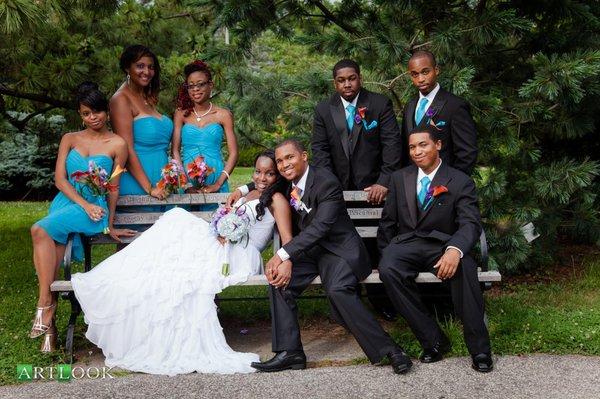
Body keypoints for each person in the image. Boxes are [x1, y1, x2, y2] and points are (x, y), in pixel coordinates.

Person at [70, 150, 294, 375]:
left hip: (240, 254)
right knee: (174, 226)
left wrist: (283, 261)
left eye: (269, 174)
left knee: (177, 222)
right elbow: (249, 193)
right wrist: (234, 203)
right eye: (257, 171)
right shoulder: (252, 191)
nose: (261, 178)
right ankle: (121, 278)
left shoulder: (278, 200)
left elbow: (287, 240)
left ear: (278, 176)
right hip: (223, 244)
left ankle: (128, 282)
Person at [250, 139, 412, 375]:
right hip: (312, 251)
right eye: (280, 161)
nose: (284, 165)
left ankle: (391, 350)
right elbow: (262, 181)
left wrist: (284, 254)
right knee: (278, 281)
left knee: (337, 290)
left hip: (339, 250)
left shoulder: (326, 182)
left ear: (304, 156)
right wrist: (244, 189)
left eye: (290, 158)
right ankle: (290, 352)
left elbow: (320, 228)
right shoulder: (288, 182)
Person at [377, 126, 493, 372]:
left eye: (423, 145)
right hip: (407, 245)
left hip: (444, 245)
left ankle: (480, 349)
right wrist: (386, 251)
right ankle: (434, 341)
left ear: (437, 145)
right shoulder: (400, 178)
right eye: (411, 147)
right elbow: (388, 222)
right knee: (388, 269)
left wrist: (454, 250)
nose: (417, 151)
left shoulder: (459, 180)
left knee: (465, 270)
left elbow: (470, 223)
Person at [29, 82, 134, 352]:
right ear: (81, 114)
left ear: (107, 112)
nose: (92, 118)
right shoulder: (70, 139)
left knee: (39, 230)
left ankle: (44, 306)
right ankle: (49, 327)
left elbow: (113, 186)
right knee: (51, 257)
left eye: (97, 112)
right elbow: (60, 179)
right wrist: (82, 204)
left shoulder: (118, 144)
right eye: (86, 113)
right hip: (67, 204)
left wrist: (108, 223)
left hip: (95, 209)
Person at [311, 58, 402, 320]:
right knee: (342, 245)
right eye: (341, 80)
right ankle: (347, 303)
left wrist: (384, 181)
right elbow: (320, 150)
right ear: (335, 82)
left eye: (351, 78)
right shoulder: (324, 109)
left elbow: (392, 147)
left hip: (373, 190)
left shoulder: (378, 104)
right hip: (338, 191)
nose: (347, 84)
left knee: (374, 243)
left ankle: (382, 301)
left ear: (359, 78)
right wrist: (330, 186)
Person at [110, 45, 172, 200]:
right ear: (127, 68)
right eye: (140, 66)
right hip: (139, 183)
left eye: (151, 67)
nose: (147, 72)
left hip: (163, 181)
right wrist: (149, 188)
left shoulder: (147, 98)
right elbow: (126, 148)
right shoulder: (121, 100)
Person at [401, 50, 478, 175]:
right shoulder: (409, 107)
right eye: (415, 74)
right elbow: (405, 150)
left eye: (425, 72)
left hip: (445, 184)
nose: (420, 79)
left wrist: (453, 183)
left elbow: (467, 153)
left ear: (436, 70)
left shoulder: (455, 105)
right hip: (413, 184)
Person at [173, 60, 238, 196]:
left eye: (201, 84)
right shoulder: (181, 114)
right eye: (191, 86)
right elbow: (175, 151)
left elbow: (233, 153)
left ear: (210, 85)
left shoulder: (223, 115)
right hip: (187, 182)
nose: (195, 89)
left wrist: (218, 183)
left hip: (215, 177)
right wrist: (185, 184)